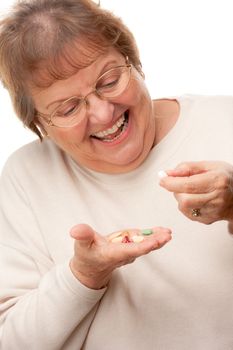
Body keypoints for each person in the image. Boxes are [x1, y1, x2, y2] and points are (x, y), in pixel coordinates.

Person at [0, 0, 233, 349]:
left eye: (109, 81)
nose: (103, 113)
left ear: (134, 62)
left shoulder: (223, 121)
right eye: (69, 108)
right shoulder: (26, 176)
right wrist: (84, 275)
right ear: (38, 123)